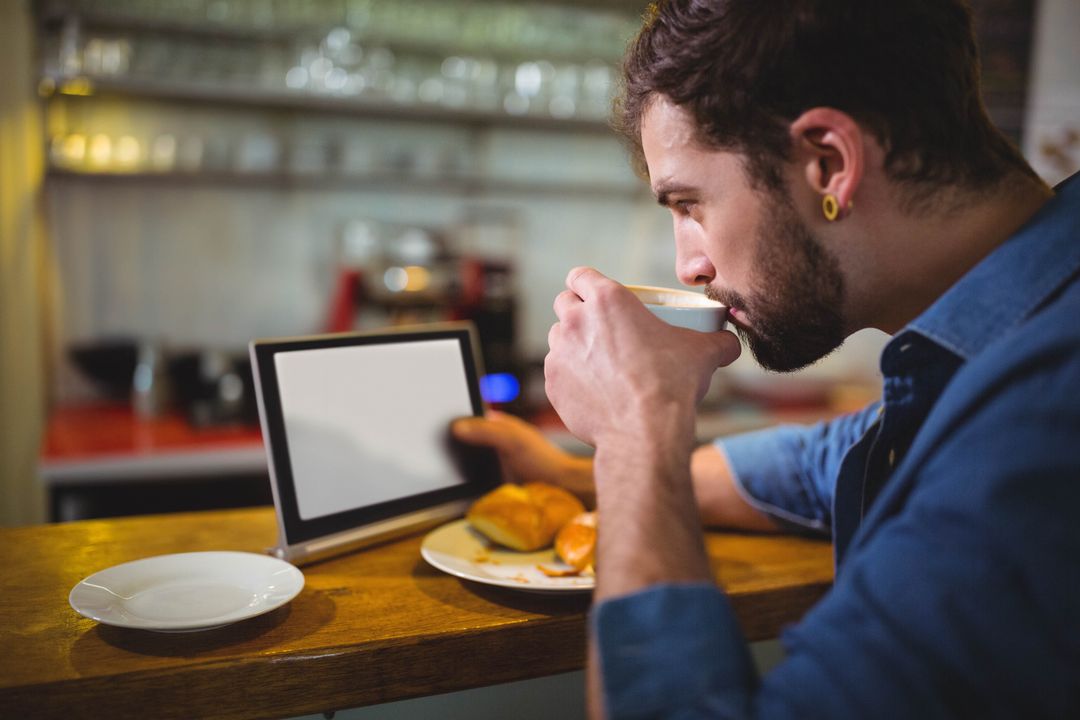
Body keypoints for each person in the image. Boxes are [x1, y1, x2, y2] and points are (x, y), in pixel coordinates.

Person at [453, 0, 1080, 717]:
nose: (689, 264)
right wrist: (574, 474)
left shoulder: (1047, 419)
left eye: (690, 205)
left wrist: (637, 430)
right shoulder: (1010, 331)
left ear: (828, 164)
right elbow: (825, 461)